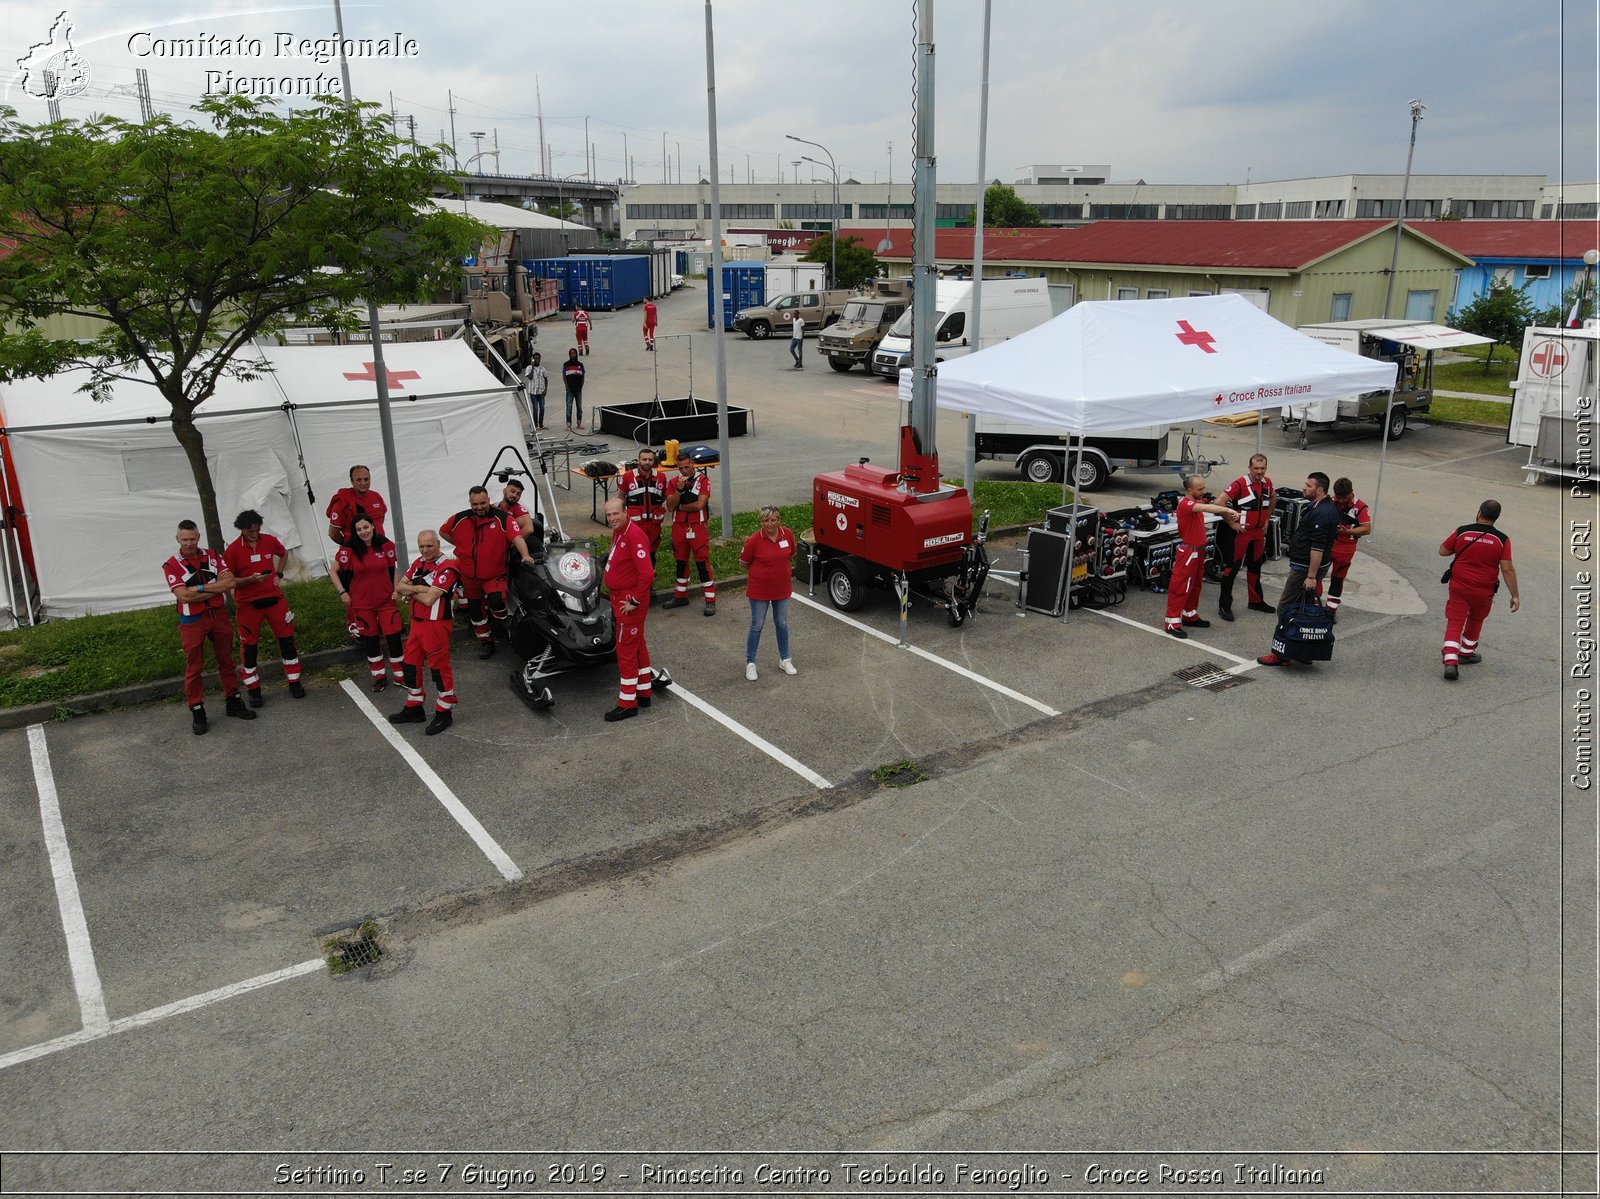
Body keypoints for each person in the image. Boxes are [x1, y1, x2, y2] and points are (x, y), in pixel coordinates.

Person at [162, 520, 256, 735]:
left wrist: (200, 589)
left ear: (199, 537)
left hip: (218, 615)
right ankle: (197, 710)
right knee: (194, 666)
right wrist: (214, 589)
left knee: (227, 660)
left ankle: (233, 700)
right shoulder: (171, 565)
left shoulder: (213, 555)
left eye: (193, 538)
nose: (189, 543)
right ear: (177, 539)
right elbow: (183, 595)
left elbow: (230, 583)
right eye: (184, 539)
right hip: (192, 621)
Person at [440, 486, 536, 659]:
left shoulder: (503, 518)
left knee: (497, 602)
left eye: (483, 503)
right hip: (470, 577)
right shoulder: (460, 518)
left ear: (489, 500)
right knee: (475, 612)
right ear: (470, 503)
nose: (479, 507)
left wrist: (526, 556)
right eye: (475, 504)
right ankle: (486, 640)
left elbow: (518, 537)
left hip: (494, 574)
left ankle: (502, 622)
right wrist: (461, 545)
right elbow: (443, 531)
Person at [1256, 471, 1340, 667]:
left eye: (1308, 485)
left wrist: (1311, 576)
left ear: (1320, 490)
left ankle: (1281, 653)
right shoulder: (1323, 507)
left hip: (1305, 570)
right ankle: (1303, 649)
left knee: (1286, 608)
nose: (1304, 487)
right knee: (1304, 610)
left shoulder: (1322, 512)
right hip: (1307, 567)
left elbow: (1317, 548)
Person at [222, 509, 304, 706]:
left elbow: (283, 553)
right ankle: (254, 689)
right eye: (250, 531)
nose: (254, 534)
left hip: (274, 598)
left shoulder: (269, 540)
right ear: (241, 530)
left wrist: (279, 574)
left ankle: (295, 682)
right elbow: (228, 581)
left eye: (257, 530)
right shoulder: (232, 550)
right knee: (249, 647)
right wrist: (249, 580)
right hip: (249, 603)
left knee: (287, 640)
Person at [1438, 499, 1520, 681]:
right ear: (1496, 518)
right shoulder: (1502, 540)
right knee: (1476, 618)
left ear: (1479, 513)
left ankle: (1451, 660)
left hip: (1459, 586)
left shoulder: (1462, 531)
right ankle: (1466, 652)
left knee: (1455, 620)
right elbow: (1507, 569)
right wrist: (1515, 595)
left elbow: (1443, 551)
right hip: (1484, 590)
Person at [390, 529, 460, 735]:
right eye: (421, 546)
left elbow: (430, 599)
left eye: (429, 546)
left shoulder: (448, 568)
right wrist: (421, 589)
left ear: (438, 544)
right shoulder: (419, 563)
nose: (425, 550)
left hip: (436, 625)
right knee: (410, 665)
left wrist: (411, 591)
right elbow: (400, 586)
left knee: (439, 669)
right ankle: (414, 707)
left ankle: (444, 712)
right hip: (418, 623)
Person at [602, 496, 662, 722]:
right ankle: (644, 691)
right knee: (637, 645)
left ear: (625, 512)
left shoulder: (634, 535)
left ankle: (628, 703)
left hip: (629, 602)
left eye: (615, 513)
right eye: (608, 515)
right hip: (622, 597)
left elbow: (647, 573)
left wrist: (634, 601)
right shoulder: (619, 532)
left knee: (625, 651)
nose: (612, 518)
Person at [1163, 475, 1240, 639]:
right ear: (1189, 490)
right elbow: (1207, 509)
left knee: (1196, 585)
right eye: (1200, 489)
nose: (1204, 491)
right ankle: (1172, 622)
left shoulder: (1196, 503)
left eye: (1204, 487)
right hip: (1189, 553)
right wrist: (1227, 509)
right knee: (1181, 586)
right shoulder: (1187, 504)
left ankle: (1190, 614)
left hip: (1198, 552)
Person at [334, 515, 404, 692]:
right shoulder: (348, 549)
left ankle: (400, 676)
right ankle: (379, 677)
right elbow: (333, 571)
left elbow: (393, 568)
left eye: (366, 527)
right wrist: (342, 591)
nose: (363, 532)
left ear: (373, 526)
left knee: (394, 639)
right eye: (359, 529)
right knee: (371, 641)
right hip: (362, 604)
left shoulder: (386, 545)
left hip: (386, 601)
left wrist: (396, 589)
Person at [740, 505, 799, 679]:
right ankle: (750, 663)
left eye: (773, 520)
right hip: (759, 590)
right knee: (757, 625)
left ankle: (785, 659)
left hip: (781, 588)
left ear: (779, 520)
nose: (770, 524)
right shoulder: (753, 541)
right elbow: (743, 562)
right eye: (766, 520)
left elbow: (791, 553)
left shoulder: (787, 534)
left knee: (782, 623)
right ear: (761, 521)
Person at [1215, 453, 1277, 620]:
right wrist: (1231, 523)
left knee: (1256, 567)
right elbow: (1218, 503)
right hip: (1241, 534)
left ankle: (1256, 601)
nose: (1259, 472)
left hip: (1258, 534)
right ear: (1249, 468)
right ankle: (1224, 606)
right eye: (1256, 468)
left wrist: (1267, 518)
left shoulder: (1268, 483)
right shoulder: (1240, 484)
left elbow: (1273, 497)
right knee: (1231, 569)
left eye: (1262, 468)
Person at [661, 456, 716, 616]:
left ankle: (710, 600)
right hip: (678, 527)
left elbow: (700, 505)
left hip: (698, 527)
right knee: (680, 562)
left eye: (687, 467)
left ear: (692, 464)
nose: (684, 470)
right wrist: (679, 490)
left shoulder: (703, 480)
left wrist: (682, 507)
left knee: (702, 563)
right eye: (681, 468)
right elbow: (671, 507)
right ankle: (680, 596)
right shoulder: (673, 482)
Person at [1324, 477, 1373, 620]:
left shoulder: (1360, 507)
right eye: (1338, 497)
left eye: (1343, 498)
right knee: (1317, 575)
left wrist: (1347, 532)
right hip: (1328, 545)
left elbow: (1367, 529)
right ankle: (1313, 606)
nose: (1340, 500)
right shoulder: (1330, 502)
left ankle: (1330, 611)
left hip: (1346, 549)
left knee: (1337, 579)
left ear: (1351, 493)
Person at [619, 447, 669, 564]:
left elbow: (666, 495)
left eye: (650, 460)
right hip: (635, 524)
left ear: (654, 461)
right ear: (639, 460)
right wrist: (621, 515)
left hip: (654, 524)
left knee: (652, 552)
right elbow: (621, 497)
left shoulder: (661, 477)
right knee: (636, 550)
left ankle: (651, 577)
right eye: (644, 459)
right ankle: (635, 577)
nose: (647, 462)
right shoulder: (628, 477)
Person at [325, 464, 388, 547]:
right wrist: (349, 545)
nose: (363, 483)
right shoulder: (342, 500)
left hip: (380, 547)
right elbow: (333, 533)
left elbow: (380, 521)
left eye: (366, 479)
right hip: (357, 552)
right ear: (352, 481)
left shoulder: (376, 496)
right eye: (359, 480)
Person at [562, 348, 586, 431]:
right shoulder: (566, 364)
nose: (573, 355)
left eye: (574, 353)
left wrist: (581, 386)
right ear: (569, 354)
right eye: (571, 353)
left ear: (576, 354)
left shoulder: (580, 365)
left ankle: (579, 424)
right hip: (570, 390)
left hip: (578, 390)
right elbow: (564, 377)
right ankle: (568, 425)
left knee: (579, 408)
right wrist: (567, 386)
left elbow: (583, 377)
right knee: (569, 408)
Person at [527, 351, 549, 431]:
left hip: (541, 392)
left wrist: (545, 390)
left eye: (538, 359)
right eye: (536, 358)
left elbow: (546, 379)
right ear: (533, 359)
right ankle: (535, 425)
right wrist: (532, 368)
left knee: (542, 408)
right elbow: (529, 377)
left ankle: (541, 424)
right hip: (533, 393)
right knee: (535, 409)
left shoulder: (543, 369)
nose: (537, 360)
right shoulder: (529, 368)